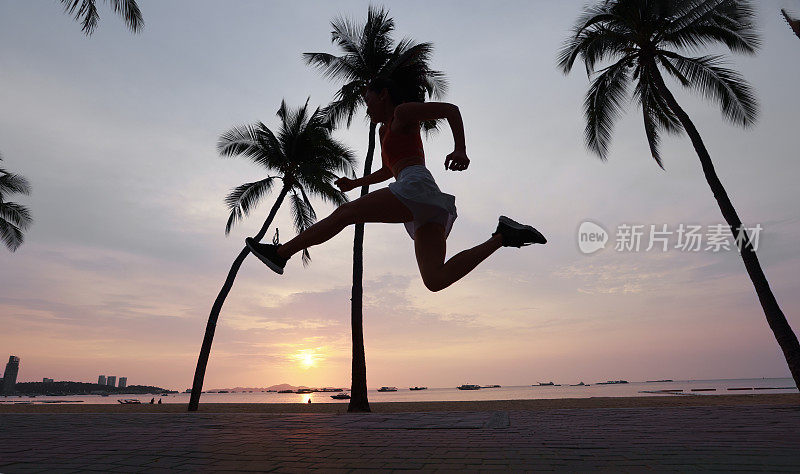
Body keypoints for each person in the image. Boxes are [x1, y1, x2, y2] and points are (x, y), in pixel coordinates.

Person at [246, 76, 546, 292]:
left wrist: (461, 149)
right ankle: (503, 236)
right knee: (434, 280)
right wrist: (356, 182)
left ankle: (281, 253)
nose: (366, 108)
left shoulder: (403, 113)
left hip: (416, 186)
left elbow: (450, 111)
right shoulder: (383, 132)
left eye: (368, 100)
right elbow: (388, 171)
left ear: (384, 95)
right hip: (420, 197)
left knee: (345, 215)